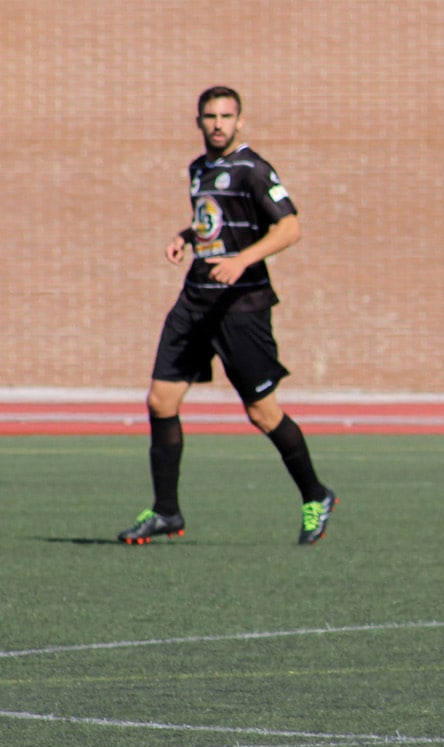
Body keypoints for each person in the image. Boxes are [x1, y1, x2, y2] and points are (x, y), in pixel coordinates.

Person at [119, 87, 335, 546]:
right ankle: (166, 512)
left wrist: (242, 260)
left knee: (262, 413)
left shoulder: (253, 168)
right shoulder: (199, 169)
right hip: (195, 300)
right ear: (198, 121)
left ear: (240, 121)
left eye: (226, 116)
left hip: (242, 308)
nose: (218, 123)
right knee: (160, 402)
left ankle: (316, 494)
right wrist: (186, 236)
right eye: (210, 116)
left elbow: (290, 227)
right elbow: (212, 223)